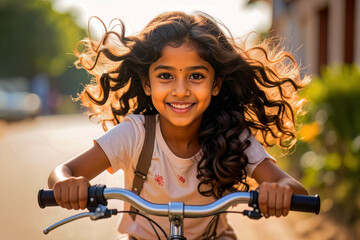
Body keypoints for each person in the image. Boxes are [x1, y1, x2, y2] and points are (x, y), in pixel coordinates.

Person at [48, 11, 309, 239]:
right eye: (166, 76)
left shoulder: (233, 136)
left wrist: (280, 191)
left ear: (216, 84)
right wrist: (68, 183)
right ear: (147, 83)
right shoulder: (135, 134)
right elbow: (63, 171)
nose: (181, 90)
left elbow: (296, 189)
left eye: (196, 76)